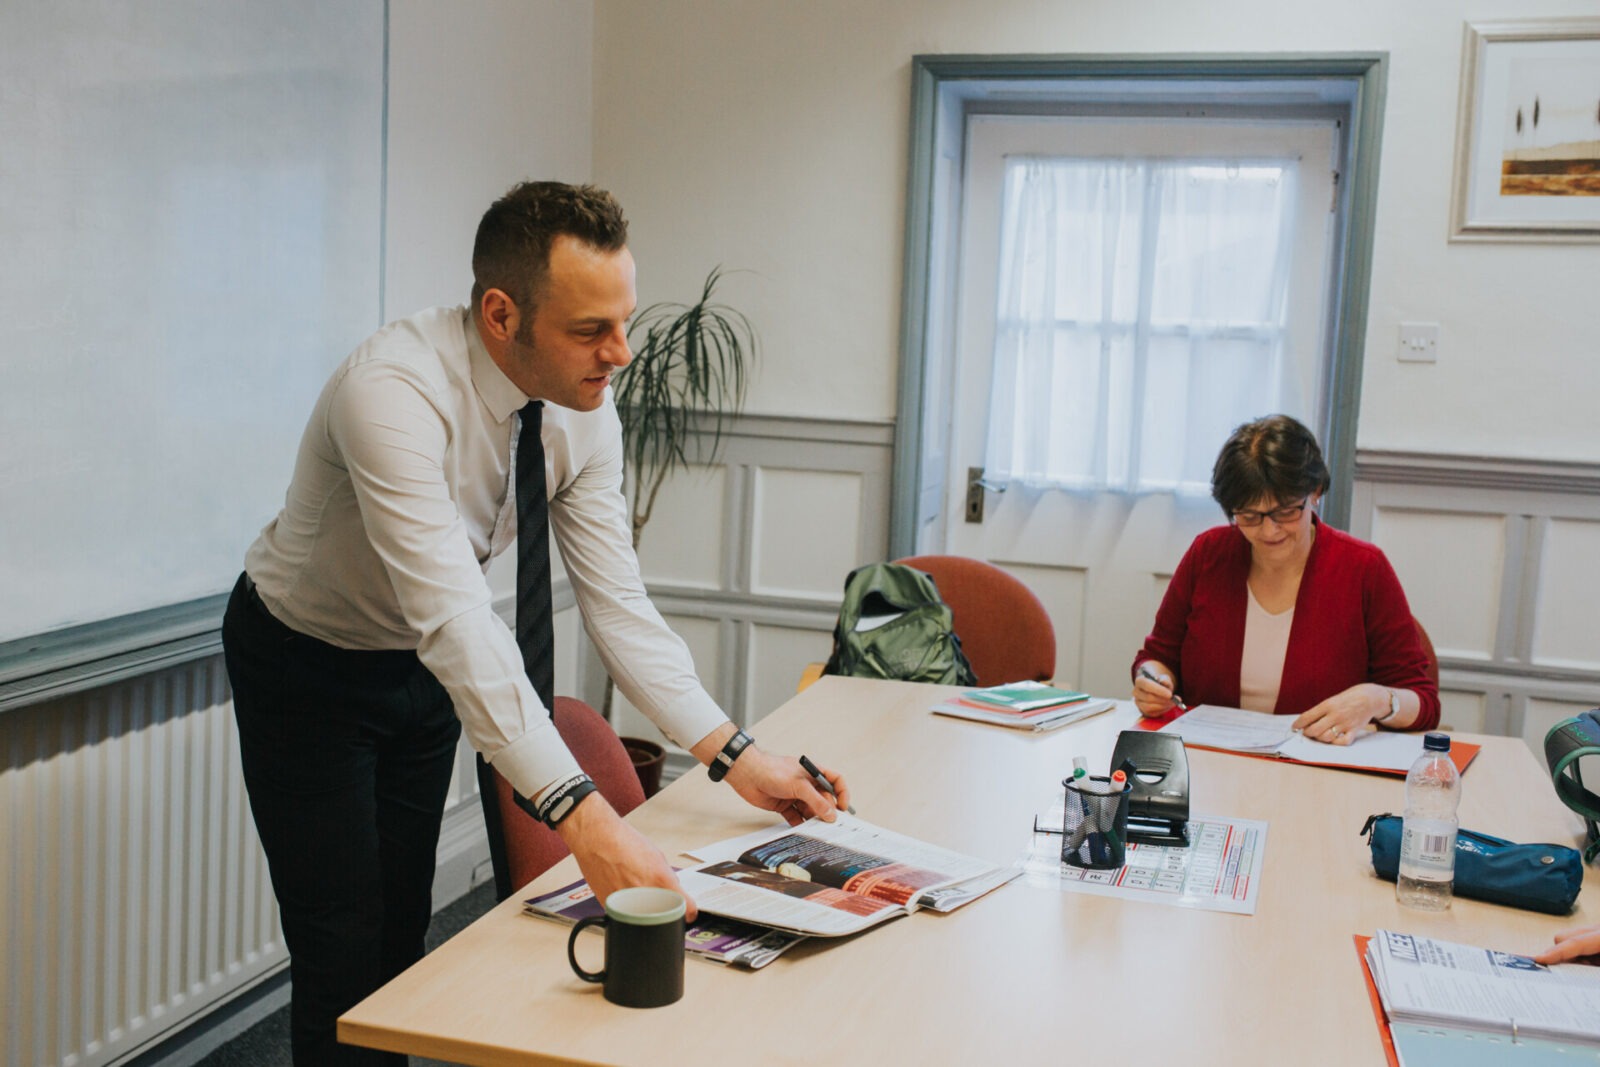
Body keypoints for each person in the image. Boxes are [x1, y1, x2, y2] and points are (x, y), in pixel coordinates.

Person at [221, 181, 850, 1065]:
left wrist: (737, 755)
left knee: (400, 928)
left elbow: (617, 604)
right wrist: (589, 825)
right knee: (341, 939)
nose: (621, 352)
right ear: (501, 312)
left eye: (623, 321)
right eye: (592, 329)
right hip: (306, 666)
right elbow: (456, 617)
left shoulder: (582, 408)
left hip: (423, 665)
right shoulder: (392, 392)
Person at [1130, 414, 1439, 742]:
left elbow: (1424, 701)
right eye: (1249, 516)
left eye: (1286, 512)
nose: (1269, 530)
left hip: (1318, 769)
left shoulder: (1364, 568)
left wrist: (1376, 699)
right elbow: (1157, 658)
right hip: (1211, 762)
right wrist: (1153, 682)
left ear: (1315, 492)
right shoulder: (1209, 554)